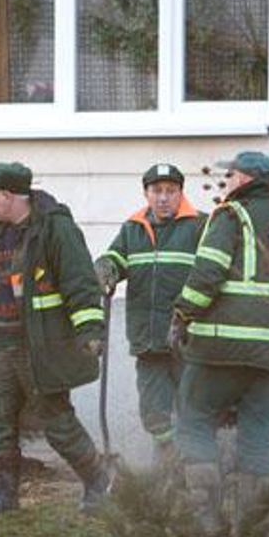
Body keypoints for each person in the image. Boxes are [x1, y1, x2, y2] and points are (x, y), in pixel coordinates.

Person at [169, 151, 269, 531]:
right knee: (258, 433)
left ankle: (205, 520)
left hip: (221, 347)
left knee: (195, 421)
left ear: (245, 179)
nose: (225, 182)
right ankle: (256, 523)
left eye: (228, 175)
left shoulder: (232, 215)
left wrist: (183, 313)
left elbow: (208, 272)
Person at [0, 161, 112, 518]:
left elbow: (80, 284)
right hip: (1, 344)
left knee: (57, 423)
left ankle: (98, 483)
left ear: (8, 195)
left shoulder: (56, 230)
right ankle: (4, 497)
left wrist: (91, 331)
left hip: (40, 347)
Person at [93, 163, 205, 467]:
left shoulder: (200, 226)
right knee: (154, 412)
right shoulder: (133, 229)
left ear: (181, 193)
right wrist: (107, 267)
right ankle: (168, 462)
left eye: (171, 191)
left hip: (190, 340)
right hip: (148, 338)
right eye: (157, 191)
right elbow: (115, 258)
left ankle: (198, 471)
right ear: (146, 194)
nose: (164, 198)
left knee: (193, 408)